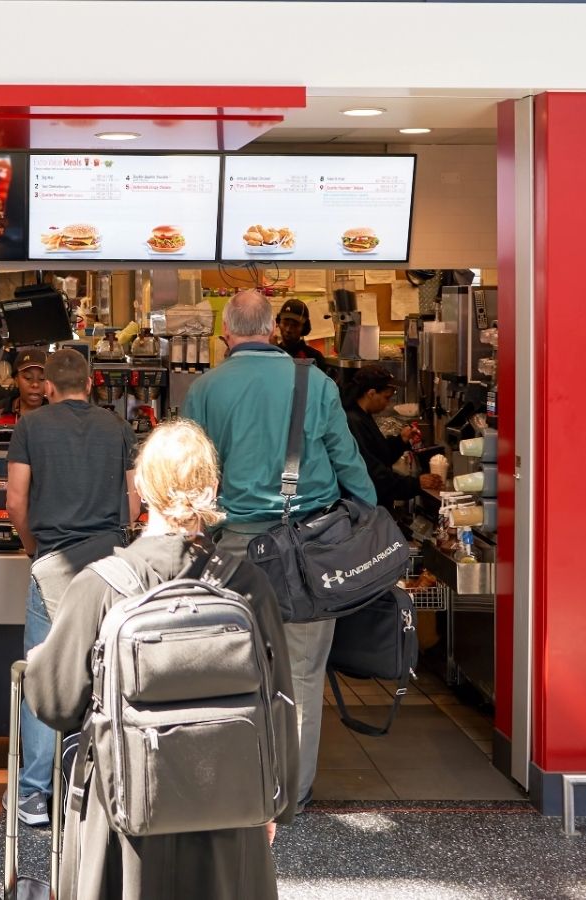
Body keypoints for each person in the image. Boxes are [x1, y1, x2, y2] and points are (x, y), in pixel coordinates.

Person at [25, 420, 298, 899]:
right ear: (212, 488)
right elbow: (279, 699)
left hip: (124, 807)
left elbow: (56, 703)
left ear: (141, 489)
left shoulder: (99, 585)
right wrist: (275, 801)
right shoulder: (247, 585)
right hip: (227, 803)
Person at [184, 289, 376, 814]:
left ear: (226, 331)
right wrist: (368, 516)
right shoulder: (314, 383)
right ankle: (291, 793)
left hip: (232, 552)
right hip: (307, 552)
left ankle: (237, 785)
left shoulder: (204, 388)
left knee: (232, 668)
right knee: (303, 675)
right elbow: (348, 460)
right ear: (271, 331)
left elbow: (190, 477)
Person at [6, 347, 140, 827]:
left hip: (53, 568)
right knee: (107, 672)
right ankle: (106, 784)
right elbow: (133, 500)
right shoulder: (117, 428)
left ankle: (32, 794)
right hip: (109, 567)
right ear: (91, 383)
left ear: (47, 386)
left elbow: (16, 500)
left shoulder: (31, 427)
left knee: (44, 674)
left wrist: (32, 549)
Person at [344, 365, 443, 509]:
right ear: (371, 393)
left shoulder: (362, 416)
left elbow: (379, 455)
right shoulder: (352, 421)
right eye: (386, 397)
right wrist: (416, 484)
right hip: (364, 509)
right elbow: (372, 473)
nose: (388, 403)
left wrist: (401, 440)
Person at [0, 345, 48, 438]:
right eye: (28, 378)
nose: (35, 384)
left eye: (42, 378)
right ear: (16, 380)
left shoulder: (56, 414)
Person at [273, 298, 328, 372]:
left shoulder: (314, 357)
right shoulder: (273, 354)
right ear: (279, 323)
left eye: (295, 325)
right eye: (285, 323)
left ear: (304, 328)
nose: (288, 329)